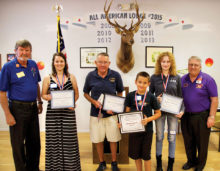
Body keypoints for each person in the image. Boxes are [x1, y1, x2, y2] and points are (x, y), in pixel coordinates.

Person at [0, 39, 42, 171]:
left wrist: (39, 101)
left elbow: (36, 85)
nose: (24, 52)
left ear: (30, 52)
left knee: (34, 143)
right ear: (15, 51)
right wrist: (7, 114)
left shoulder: (33, 64)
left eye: (27, 50)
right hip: (17, 109)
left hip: (32, 108)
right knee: (18, 144)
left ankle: (33, 168)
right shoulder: (8, 67)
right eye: (21, 49)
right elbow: (2, 93)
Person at [83, 52, 124, 171]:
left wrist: (116, 107)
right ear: (96, 63)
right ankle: (102, 162)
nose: (102, 64)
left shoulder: (115, 75)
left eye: (105, 62)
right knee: (98, 139)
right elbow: (85, 93)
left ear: (109, 63)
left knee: (113, 139)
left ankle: (114, 163)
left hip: (112, 115)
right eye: (100, 62)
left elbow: (120, 92)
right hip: (96, 115)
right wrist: (94, 102)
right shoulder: (90, 76)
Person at [41, 52, 81, 171]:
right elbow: (43, 94)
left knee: (70, 141)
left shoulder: (71, 77)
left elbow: (76, 93)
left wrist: (72, 103)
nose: (59, 63)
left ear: (65, 63)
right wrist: (50, 97)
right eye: (57, 61)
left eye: (61, 61)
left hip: (68, 113)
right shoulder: (47, 78)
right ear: (53, 63)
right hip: (53, 115)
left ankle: (71, 167)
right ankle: (55, 168)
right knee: (54, 141)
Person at [181, 56, 218, 171]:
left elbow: (214, 99)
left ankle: (200, 165)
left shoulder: (208, 79)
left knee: (202, 143)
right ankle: (191, 161)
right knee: (188, 141)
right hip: (186, 116)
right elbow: (178, 97)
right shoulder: (183, 79)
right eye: (191, 64)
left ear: (200, 66)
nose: (193, 67)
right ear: (188, 66)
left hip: (202, 116)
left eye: (196, 65)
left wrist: (211, 116)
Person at [149, 52, 184, 171]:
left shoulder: (176, 77)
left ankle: (170, 164)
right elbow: (150, 95)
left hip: (173, 113)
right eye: (163, 61)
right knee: (159, 137)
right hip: (159, 112)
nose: (165, 64)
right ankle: (159, 164)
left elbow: (180, 96)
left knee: (172, 138)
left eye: (168, 61)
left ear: (171, 63)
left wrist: (182, 110)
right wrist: (156, 99)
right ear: (160, 63)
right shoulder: (154, 77)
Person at [124, 71, 161, 171]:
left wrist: (148, 119)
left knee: (146, 155)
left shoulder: (152, 97)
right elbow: (126, 113)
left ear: (149, 84)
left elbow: (158, 113)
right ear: (135, 82)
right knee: (136, 155)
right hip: (134, 130)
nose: (142, 84)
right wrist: (123, 124)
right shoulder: (130, 96)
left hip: (147, 131)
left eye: (145, 83)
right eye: (140, 82)